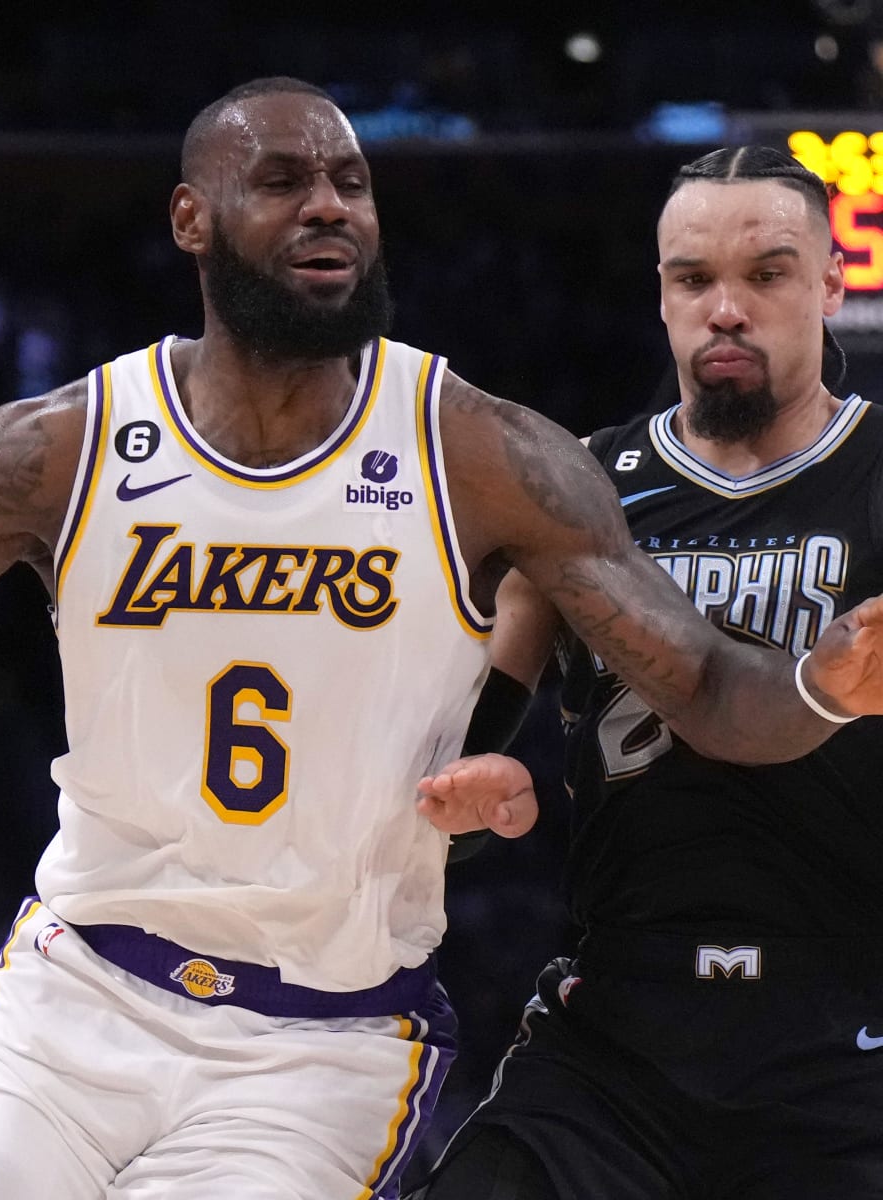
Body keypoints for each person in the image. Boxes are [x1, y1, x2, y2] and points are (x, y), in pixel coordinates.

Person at [0, 88, 883, 1200]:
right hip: (73, 1001)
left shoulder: (483, 457)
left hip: (323, 1041)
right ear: (191, 219)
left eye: (352, 183)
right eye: (285, 179)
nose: (329, 203)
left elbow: (717, 690)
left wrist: (820, 686)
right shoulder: (56, 450)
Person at [407, 146, 883, 1200]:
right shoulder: (579, 489)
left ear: (830, 285)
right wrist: (475, 799)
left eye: (767, 274)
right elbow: (450, 784)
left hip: (848, 1043)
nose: (726, 309)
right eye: (693, 279)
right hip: (617, 1041)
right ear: (660, 295)